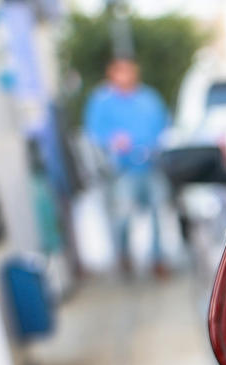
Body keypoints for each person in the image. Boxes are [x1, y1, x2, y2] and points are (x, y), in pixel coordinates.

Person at [84, 58, 171, 277]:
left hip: (151, 165)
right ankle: (124, 255)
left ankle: (157, 258)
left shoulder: (149, 99)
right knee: (123, 215)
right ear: (112, 75)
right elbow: (94, 132)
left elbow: (163, 126)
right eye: (119, 72)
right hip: (122, 170)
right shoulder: (102, 101)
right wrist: (112, 141)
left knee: (157, 212)